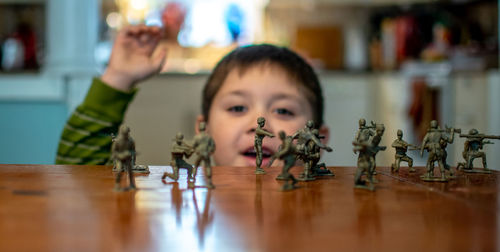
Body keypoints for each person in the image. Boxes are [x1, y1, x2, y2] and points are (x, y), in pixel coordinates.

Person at [56, 24, 330, 167]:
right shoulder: (184, 205)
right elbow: (77, 171)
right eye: (237, 108)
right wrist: (117, 80)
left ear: (319, 139)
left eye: (283, 111)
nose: (258, 124)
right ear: (204, 130)